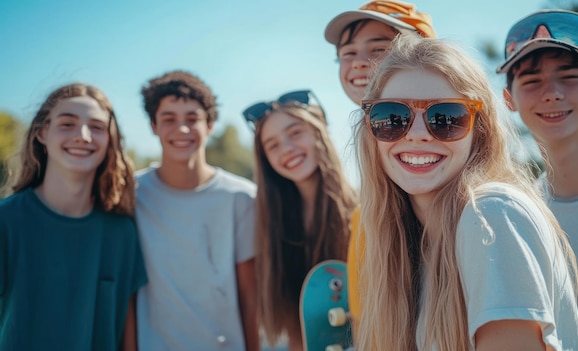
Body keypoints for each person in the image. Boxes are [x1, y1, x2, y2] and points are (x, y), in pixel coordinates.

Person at [353, 35, 578, 350]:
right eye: (392, 117)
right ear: (371, 130)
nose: (417, 134)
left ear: (480, 129)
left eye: (446, 117)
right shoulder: (417, 245)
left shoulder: (491, 214)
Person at [498, 9, 578, 350]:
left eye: (569, 75)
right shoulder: (521, 214)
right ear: (508, 99)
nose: (552, 93)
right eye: (531, 81)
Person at [0, 83, 147, 350]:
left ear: (109, 139)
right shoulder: (6, 222)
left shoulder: (121, 233)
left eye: (97, 127)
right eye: (67, 123)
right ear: (42, 133)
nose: (83, 136)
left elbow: (128, 338)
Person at [324, 0, 436, 327]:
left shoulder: (432, 164)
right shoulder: (365, 211)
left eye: (379, 48)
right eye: (347, 53)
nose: (359, 63)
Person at [135, 70, 259, 351]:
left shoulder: (241, 197)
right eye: (169, 119)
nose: (181, 130)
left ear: (210, 125)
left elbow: (249, 297)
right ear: (154, 125)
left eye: (192, 119)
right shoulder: (130, 194)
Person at [242, 90, 357, 351]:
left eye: (295, 133)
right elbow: (300, 332)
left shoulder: (364, 212)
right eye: (272, 145)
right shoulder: (269, 228)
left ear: (319, 131)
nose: (287, 149)